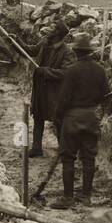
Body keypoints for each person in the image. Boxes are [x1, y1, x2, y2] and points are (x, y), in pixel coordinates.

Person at [51, 33, 109, 209]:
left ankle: (68, 198)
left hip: (72, 118)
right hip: (91, 117)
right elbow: (106, 95)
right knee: (88, 158)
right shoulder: (100, 70)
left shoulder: (71, 70)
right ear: (90, 52)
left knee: (68, 158)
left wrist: (57, 116)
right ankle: (86, 197)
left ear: (76, 51)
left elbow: (63, 98)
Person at [28, 19, 74, 156]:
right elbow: (31, 50)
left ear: (58, 34)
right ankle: (37, 148)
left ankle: (63, 148)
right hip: (40, 89)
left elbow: (67, 73)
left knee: (58, 119)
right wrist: (15, 41)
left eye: (52, 29)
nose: (48, 30)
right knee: (38, 117)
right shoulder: (44, 44)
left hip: (54, 92)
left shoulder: (67, 52)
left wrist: (46, 71)